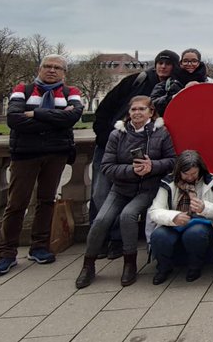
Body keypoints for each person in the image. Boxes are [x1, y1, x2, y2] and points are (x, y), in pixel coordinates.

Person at [0, 54, 84, 277]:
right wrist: (55, 118)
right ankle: (7, 253)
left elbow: (72, 118)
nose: (52, 71)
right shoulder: (22, 89)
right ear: (39, 68)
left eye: (57, 68)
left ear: (64, 72)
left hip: (56, 153)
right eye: (48, 66)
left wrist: (35, 114)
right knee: (16, 203)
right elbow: (14, 119)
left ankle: (40, 247)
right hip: (25, 153)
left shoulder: (72, 92)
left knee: (46, 200)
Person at [76, 95, 177, 288]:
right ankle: (88, 264)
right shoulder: (117, 135)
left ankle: (129, 262)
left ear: (151, 112)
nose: (137, 113)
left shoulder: (161, 133)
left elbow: (172, 160)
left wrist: (152, 166)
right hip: (121, 188)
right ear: (128, 113)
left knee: (128, 216)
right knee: (101, 220)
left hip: (147, 189)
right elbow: (107, 166)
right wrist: (131, 170)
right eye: (133, 110)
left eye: (141, 109)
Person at [91, 49, 179, 259]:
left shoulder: (172, 88)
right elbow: (104, 110)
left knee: (126, 198)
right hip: (111, 143)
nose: (163, 66)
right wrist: (107, 137)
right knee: (100, 193)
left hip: (143, 149)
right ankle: (103, 239)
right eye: (160, 62)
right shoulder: (136, 81)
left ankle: (117, 240)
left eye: (168, 63)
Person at [145, 150, 213, 285]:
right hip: (174, 223)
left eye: (193, 174)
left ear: (200, 169)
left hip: (201, 223)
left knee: (195, 233)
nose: (190, 177)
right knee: (159, 235)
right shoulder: (168, 184)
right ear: (178, 171)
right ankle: (164, 268)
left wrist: (204, 208)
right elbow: (155, 211)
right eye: (185, 174)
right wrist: (174, 216)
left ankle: (195, 267)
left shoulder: (212, 184)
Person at [150, 48, 209, 115]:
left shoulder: (208, 82)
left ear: (199, 63)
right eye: (185, 61)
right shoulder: (168, 83)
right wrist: (174, 97)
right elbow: (153, 104)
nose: (189, 64)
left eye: (194, 61)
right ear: (180, 62)